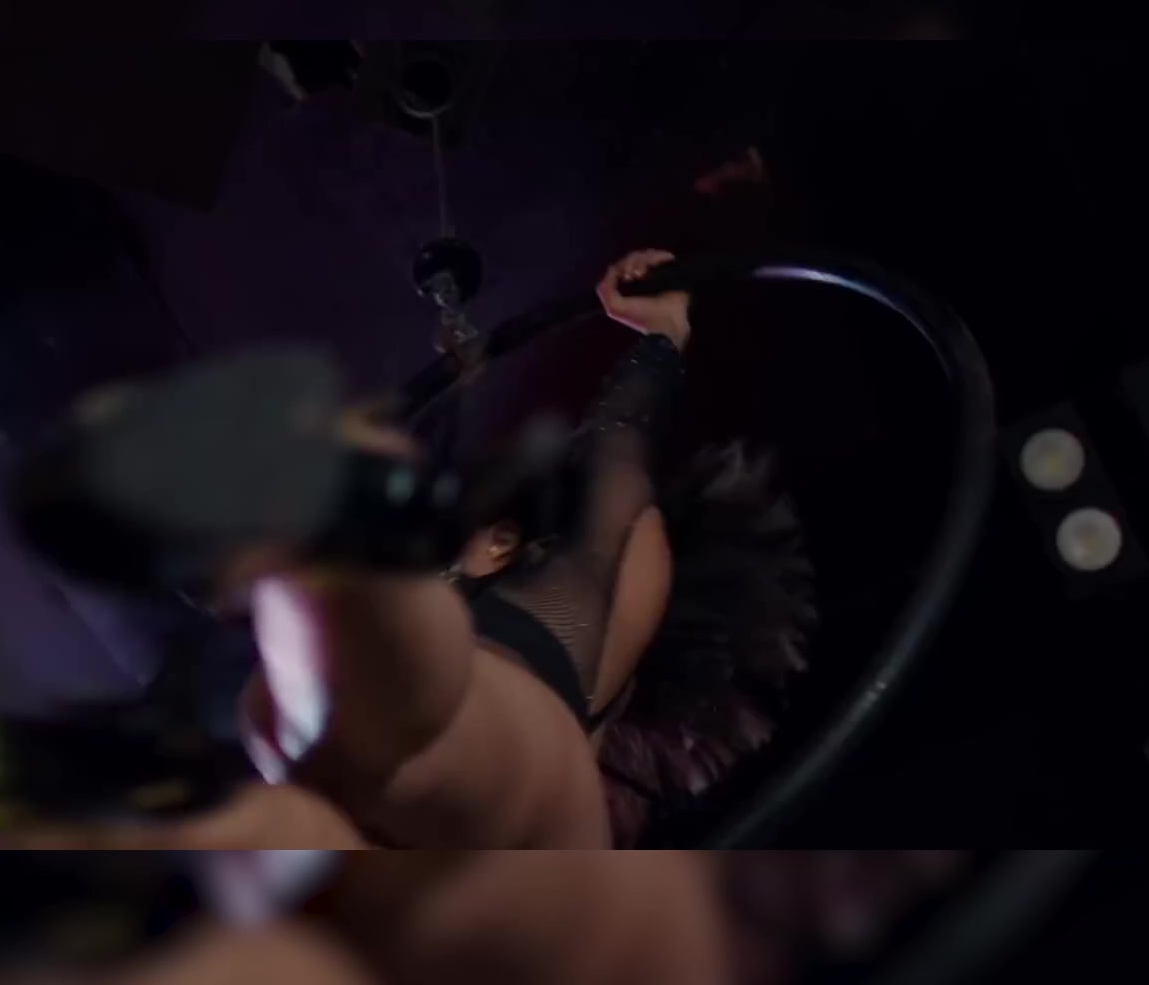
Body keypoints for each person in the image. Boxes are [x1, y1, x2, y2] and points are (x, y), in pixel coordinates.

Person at [228, 249, 815, 849]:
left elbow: (610, 466)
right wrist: (661, 341)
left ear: (500, 544)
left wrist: (661, 341)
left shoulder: (550, 613)